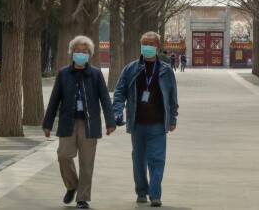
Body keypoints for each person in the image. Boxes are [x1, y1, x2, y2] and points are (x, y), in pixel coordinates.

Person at [43, 36, 116, 208]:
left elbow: (105, 98)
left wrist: (110, 121)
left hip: (89, 124)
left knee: (86, 162)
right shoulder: (63, 73)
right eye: (78, 51)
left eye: (85, 51)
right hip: (68, 122)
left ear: (90, 54)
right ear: (71, 52)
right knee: (63, 156)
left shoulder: (96, 74)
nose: (81, 54)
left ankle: (82, 198)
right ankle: (72, 185)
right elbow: (54, 99)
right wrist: (47, 123)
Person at [113, 31, 178, 207]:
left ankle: (155, 195)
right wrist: (117, 111)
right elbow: (119, 92)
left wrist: (173, 118)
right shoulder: (131, 69)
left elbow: (172, 97)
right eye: (144, 43)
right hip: (137, 122)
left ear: (157, 46)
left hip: (158, 123)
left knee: (157, 159)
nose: (147, 47)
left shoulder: (165, 70)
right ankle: (141, 191)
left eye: (151, 44)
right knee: (138, 159)